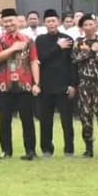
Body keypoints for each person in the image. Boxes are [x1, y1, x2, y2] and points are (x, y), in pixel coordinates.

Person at [0, 7, 40, 160]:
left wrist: (37, 83)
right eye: (5, 21)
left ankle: (30, 150)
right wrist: (13, 48)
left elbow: (34, 61)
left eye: (11, 20)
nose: (8, 24)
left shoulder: (28, 40)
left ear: (18, 21)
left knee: (27, 119)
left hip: (25, 85)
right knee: (5, 120)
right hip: (5, 85)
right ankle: (6, 150)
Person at [35, 8, 77, 157]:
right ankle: (46, 148)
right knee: (45, 120)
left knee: (67, 121)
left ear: (58, 22)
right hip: (46, 86)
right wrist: (57, 47)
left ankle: (69, 149)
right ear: (44, 23)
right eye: (48, 21)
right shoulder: (40, 40)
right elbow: (41, 58)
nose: (51, 24)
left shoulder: (68, 39)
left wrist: (73, 84)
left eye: (53, 21)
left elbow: (72, 64)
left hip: (63, 85)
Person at [72, 14, 98, 158]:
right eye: (85, 25)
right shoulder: (78, 43)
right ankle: (88, 148)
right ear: (82, 27)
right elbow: (75, 60)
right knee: (85, 117)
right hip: (84, 84)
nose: (89, 27)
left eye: (91, 24)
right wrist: (90, 51)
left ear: (97, 25)